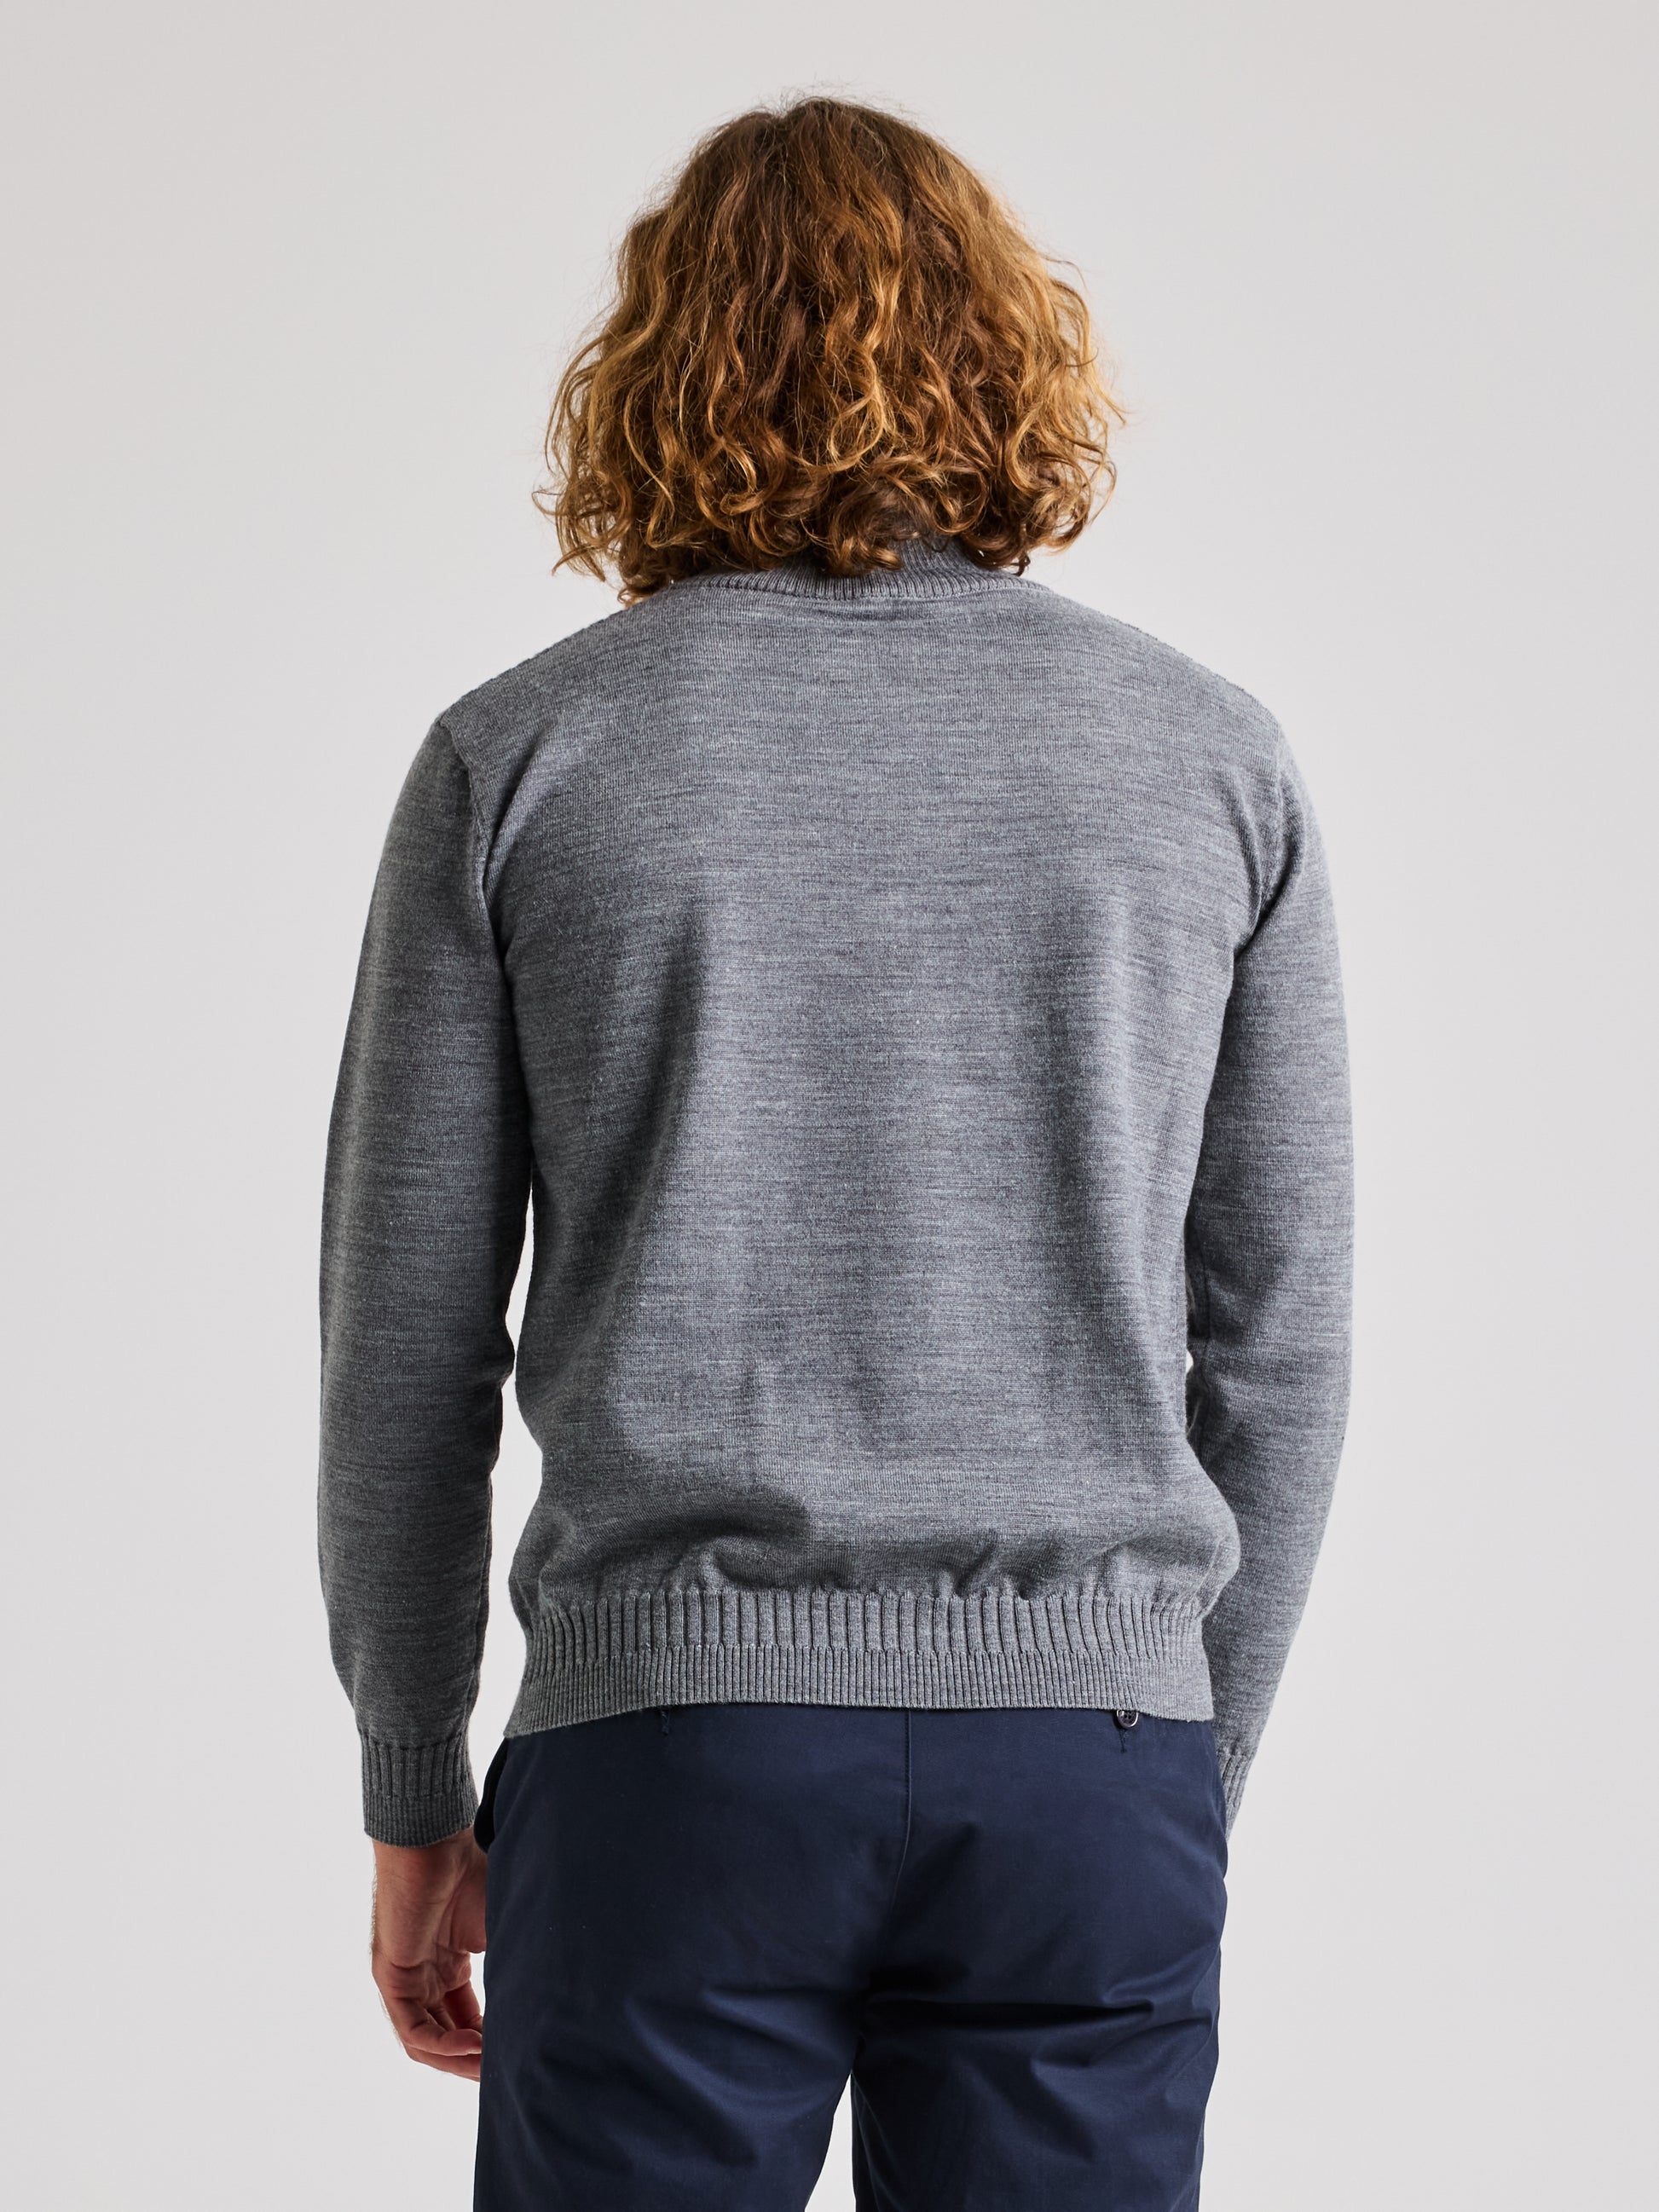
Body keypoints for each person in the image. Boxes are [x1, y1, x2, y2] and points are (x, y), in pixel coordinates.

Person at [318, 94, 1354, 2212]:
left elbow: (406, 1340)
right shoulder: (1208, 762)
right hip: (1094, 1769)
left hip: (668, 1756)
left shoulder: (524, 757)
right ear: (1011, 353)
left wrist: (414, 1787)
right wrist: (1180, 1736)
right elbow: (1282, 1338)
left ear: (655, 368)